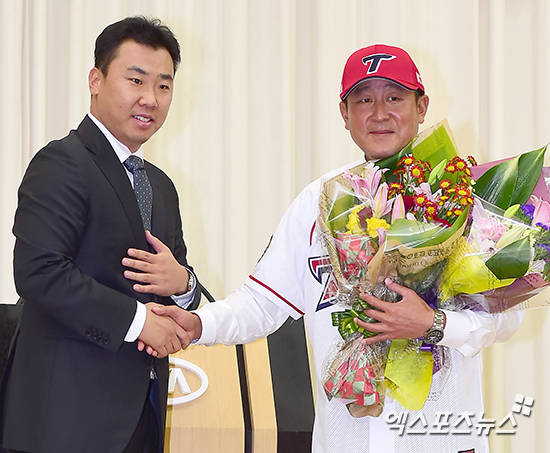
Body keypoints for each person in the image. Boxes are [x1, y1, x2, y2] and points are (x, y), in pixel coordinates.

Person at [123, 45, 524, 452]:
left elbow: (507, 316)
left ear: (421, 107)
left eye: (395, 97)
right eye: (364, 100)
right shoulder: (321, 201)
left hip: (439, 439)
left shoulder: (461, 196)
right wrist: (200, 324)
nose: (379, 113)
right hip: (346, 438)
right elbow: (262, 303)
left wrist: (434, 324)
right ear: (345, 114)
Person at [0, 16, 200, 453]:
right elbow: (39, 273)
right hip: (65, 421)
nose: (150, 98)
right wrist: (139, 320)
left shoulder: (161, 185)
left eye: (164, 86)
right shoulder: (62, 162)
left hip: (141, 416)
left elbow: (176, 278)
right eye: (135, 80)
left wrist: (184, 285)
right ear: (96, 79)